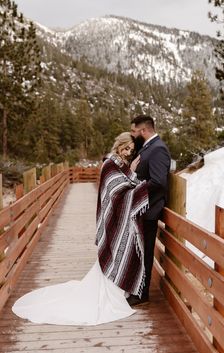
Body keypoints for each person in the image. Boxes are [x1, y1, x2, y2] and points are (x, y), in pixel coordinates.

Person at [12, 132, 149, 326]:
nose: (127, 152)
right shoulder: (110, 164)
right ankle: (115, 287)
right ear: (118, 146)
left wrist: (132, 172)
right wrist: (142, 185)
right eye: (125, 148)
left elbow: (126, 184)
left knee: (117, 257)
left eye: (131, 150)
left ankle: (120, 284)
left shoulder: (120, 165)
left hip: (120, 220)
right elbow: (116, 192)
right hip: (113, 221)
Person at [128, 115, 171, 306]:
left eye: (134, 131)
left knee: (145, 253)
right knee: (139, 252)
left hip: (149, 211)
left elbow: (158, 181)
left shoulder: (158, 149)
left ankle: (142, 293)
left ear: (143, 130)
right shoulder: (147, 147)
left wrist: (134, 187)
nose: (132, 134)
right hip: (141, 209)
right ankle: (137, 288)